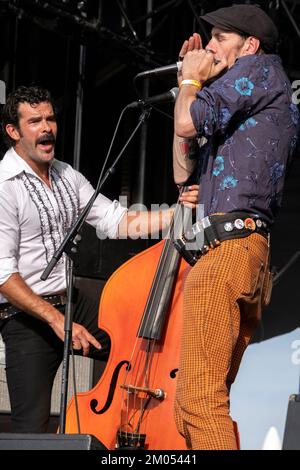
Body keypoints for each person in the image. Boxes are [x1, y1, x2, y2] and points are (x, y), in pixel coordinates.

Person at [0, 85, 198, 433]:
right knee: (30, 426)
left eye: (50, 119)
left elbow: (116, 220)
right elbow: (3, 275)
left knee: (140, 345)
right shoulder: (4, 186)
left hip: (70, 302)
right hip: (25, 315)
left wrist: (176, 213)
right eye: (34, 121)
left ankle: (137, 430)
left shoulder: (65, 174)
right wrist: (56, 320)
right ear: (13, 132)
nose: (46, 128)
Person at [172, 4, 299, 450]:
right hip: (237, 251)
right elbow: (180, 168)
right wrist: (182, 87)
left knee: (200, 402)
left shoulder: (259, 71)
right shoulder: (241, 95)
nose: (209, 47)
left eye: (220, 38)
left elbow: (189, 120)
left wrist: (191, 81)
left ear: (249, 45)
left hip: (229, 250)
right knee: (189, 402)